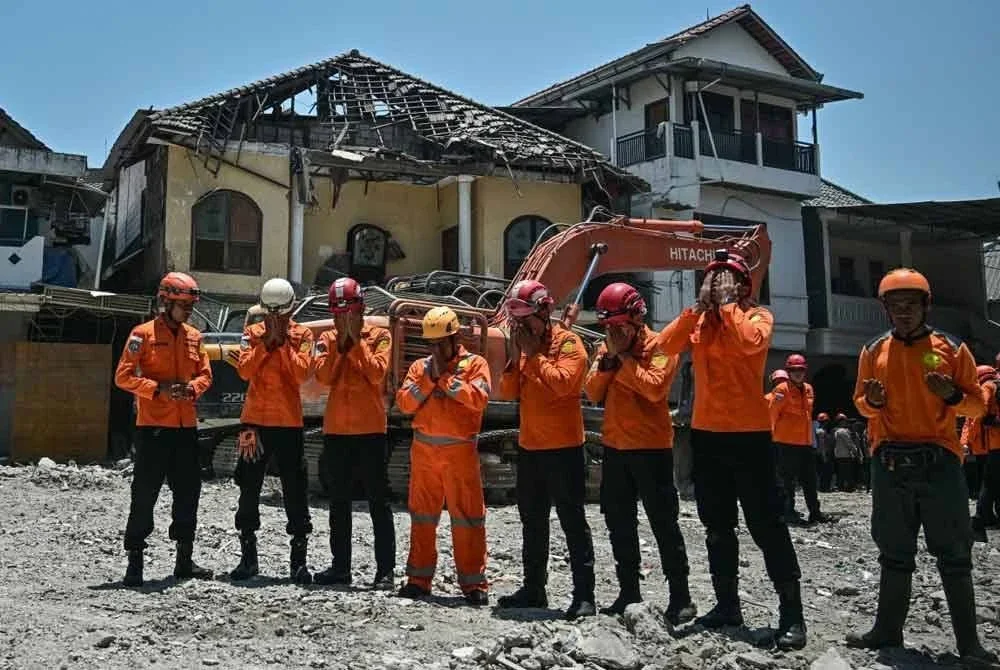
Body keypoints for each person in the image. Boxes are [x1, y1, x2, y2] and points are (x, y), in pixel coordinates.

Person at [657, 251, 807, 650]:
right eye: (713, 279)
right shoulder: (701, 321)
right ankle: (727, 606)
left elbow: (749, 343)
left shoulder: (758, 316)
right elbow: (664, 345)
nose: (717, 284)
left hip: (749, 437)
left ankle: (793, 615)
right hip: (708, 437)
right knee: (717, 527)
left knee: (767, 525)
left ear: (742, 287)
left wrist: (726, 306)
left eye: (725, 279)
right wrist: (698, 308)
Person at [846, 268, 995, 666]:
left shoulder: (952, 348)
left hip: (939, 464)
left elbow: (976, 407)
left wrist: (952, 396)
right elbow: (860, 404)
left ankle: (970, 645)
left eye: (911, 304)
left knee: (955, 555)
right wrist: (873, 403)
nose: (904, 311)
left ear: (926, 306)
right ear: (885, 309)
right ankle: (886, 630)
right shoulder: (873, 350)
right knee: (894, 552)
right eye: (895, 305)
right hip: (889, 464)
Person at [583, 282, 696, 624]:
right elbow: (592, 391)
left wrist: (623, 359)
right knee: (619, 523)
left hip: (651, 450)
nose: (613, 333)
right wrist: (610, 360)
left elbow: (653, 388)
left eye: (619, 326)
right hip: (616, 448)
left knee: (664, 524)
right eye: (609, 327)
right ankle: (628, 592)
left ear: (636, 319)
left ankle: (681, 598)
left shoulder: (662, 347)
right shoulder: (608, 349)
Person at [496, 279, 597, 620]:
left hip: (564, 449)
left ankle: (584, 596)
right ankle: (533, 589)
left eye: (526, 321)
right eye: (517, 323)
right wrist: (514, 360)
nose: (522, 329)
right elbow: (508, 393)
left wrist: (534, 356)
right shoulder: (525, 348)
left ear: (543, 311)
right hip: (531, 448)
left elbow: (563, 385)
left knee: (572, 522)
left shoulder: (569, 344)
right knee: (533, 522)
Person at [114, 272, 213, 586]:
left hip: (186, 429)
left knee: (188, 493)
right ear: (166, 302)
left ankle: (184, 560)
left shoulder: (195, 336)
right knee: (144, 494)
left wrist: (193, 389)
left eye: (191, 306)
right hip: (153, 429)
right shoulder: (142, 334)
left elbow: (205, 374)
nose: (189, 312)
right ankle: (135, 561)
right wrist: (158, 389)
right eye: (184, 306)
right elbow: (123, 377)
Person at [395, 306, 491, 606]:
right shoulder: (420, 368)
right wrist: (428, 380)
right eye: (431, 344)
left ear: (454, 339)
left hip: (460, 452)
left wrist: (446, 380)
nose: (435, 350)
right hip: (424, 452)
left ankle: (474, 584)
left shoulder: (475, 364)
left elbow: (479, 399)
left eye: (440, 344)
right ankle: (418, 580)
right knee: (422, 516)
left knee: (468, 517)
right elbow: (405, 404)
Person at [312, 277, 396, 589]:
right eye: (337, 314)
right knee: (338, 502)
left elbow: (376, 373)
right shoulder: (327, 339)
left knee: (378, 502)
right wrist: (341, 347)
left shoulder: (380, 336)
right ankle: (340, 568)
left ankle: (385, 571)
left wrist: (356, 343)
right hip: (337, 431)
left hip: (371, 430)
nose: (342, 320)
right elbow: (323, 377)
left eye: (347, 313)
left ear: (360, 309)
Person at [229, 278, 314, 584]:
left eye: (281, 314)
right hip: (255, 422)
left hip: (289, 423)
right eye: (270, 314)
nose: (275, 319)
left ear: (290, 310)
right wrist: (267, 345)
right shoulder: (252, 334)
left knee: (295, 488)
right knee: (248, 487)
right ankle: (248, 557)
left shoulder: (303, 335)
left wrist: (284, 346)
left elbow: (302, 373)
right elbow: (244, 370)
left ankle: (298, 562)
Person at [770, 355, 832, 525]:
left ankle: (815, 513)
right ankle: (788, 512)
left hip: (805, 443)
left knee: (810, 480)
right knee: (787, 481)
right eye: (793, 370)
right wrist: (771, 438)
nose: (797, 373)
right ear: (788, 372)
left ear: (805, 371)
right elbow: (772, 415)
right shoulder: (781, 390)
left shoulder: (809, 389)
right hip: (786, 443)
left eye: (801, 370)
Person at [971, 365, 1000, 540]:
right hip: (994, 444)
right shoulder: (996, 385)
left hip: (994, 444)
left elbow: (979, 412)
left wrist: (967, 441)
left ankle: (983, 517)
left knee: (989, 482)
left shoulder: (988, 387)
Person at [832, 414, 858, 492]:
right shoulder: (842, 431)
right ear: (841, 422)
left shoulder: (836, 431)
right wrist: (855, 450)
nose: (846, 423)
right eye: (845, 421)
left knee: (841, 471)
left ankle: (840, 486)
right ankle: (849, 487)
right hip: (845, 455)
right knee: (848, 471)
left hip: (838, 454)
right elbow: (849, 443)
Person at [815, 413, 835, 492]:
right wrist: (824, 456)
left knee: (821, 472)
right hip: (823, 454)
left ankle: (822, 487)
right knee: (825, 472)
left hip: (820, 454)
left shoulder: (818, 430)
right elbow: (822, 445)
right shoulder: (821, 432)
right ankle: (824, 488)